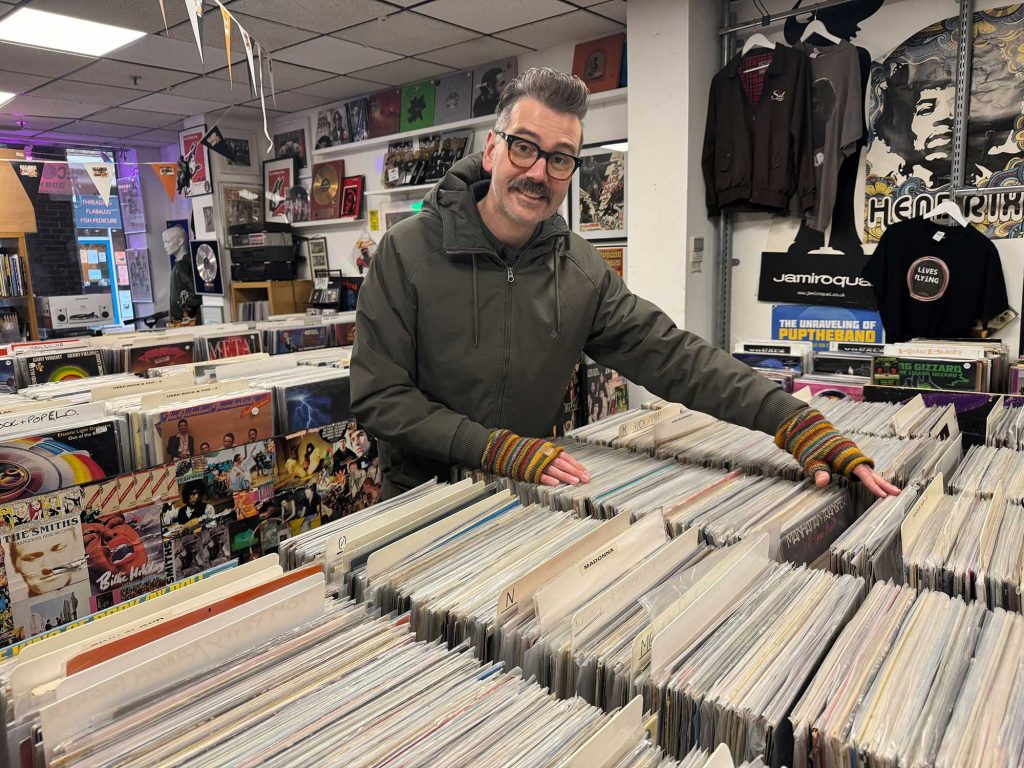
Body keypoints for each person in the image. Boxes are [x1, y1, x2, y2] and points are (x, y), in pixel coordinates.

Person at [351, 67, 898, 501]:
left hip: (524, 501)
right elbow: (381, 398)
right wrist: (492, 448)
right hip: (419, 505)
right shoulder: (406, 251)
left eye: (560, 159)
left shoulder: (581, 271)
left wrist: (794, 421)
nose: (538, 173)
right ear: (492, 149)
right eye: (524, 147)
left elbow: (675, 357)